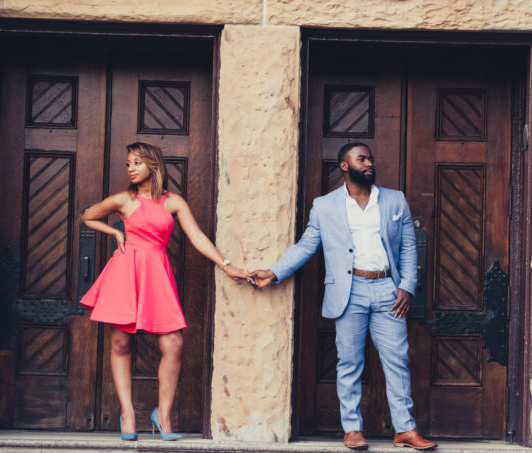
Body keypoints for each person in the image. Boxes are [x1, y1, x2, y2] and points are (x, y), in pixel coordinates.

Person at [250, 142, 437, 451]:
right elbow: (307, 245)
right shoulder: (325, 206)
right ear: (344, 165)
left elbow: (408, 246)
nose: (369, 163)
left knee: (398, 361)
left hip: (388, 290)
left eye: (371, 159)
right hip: (349, 292)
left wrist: (407, 287)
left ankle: (405, 429)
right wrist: (274, 272)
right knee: (349, 362)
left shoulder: (395, 200)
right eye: (361, 159)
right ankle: (352, 429)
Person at [80, 141, 250, 441]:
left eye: (137, 163)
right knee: (121, 344)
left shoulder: (173, 202)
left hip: (156, 274)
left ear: (153, 165)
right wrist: (115, 231)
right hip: (125, 272)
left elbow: (197, 236)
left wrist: (226, 265)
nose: (131, 168)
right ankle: (128, 414)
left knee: (173, 344)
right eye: (128, 163)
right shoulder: (123, 199)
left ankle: (163, 415)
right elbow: (88, 216)